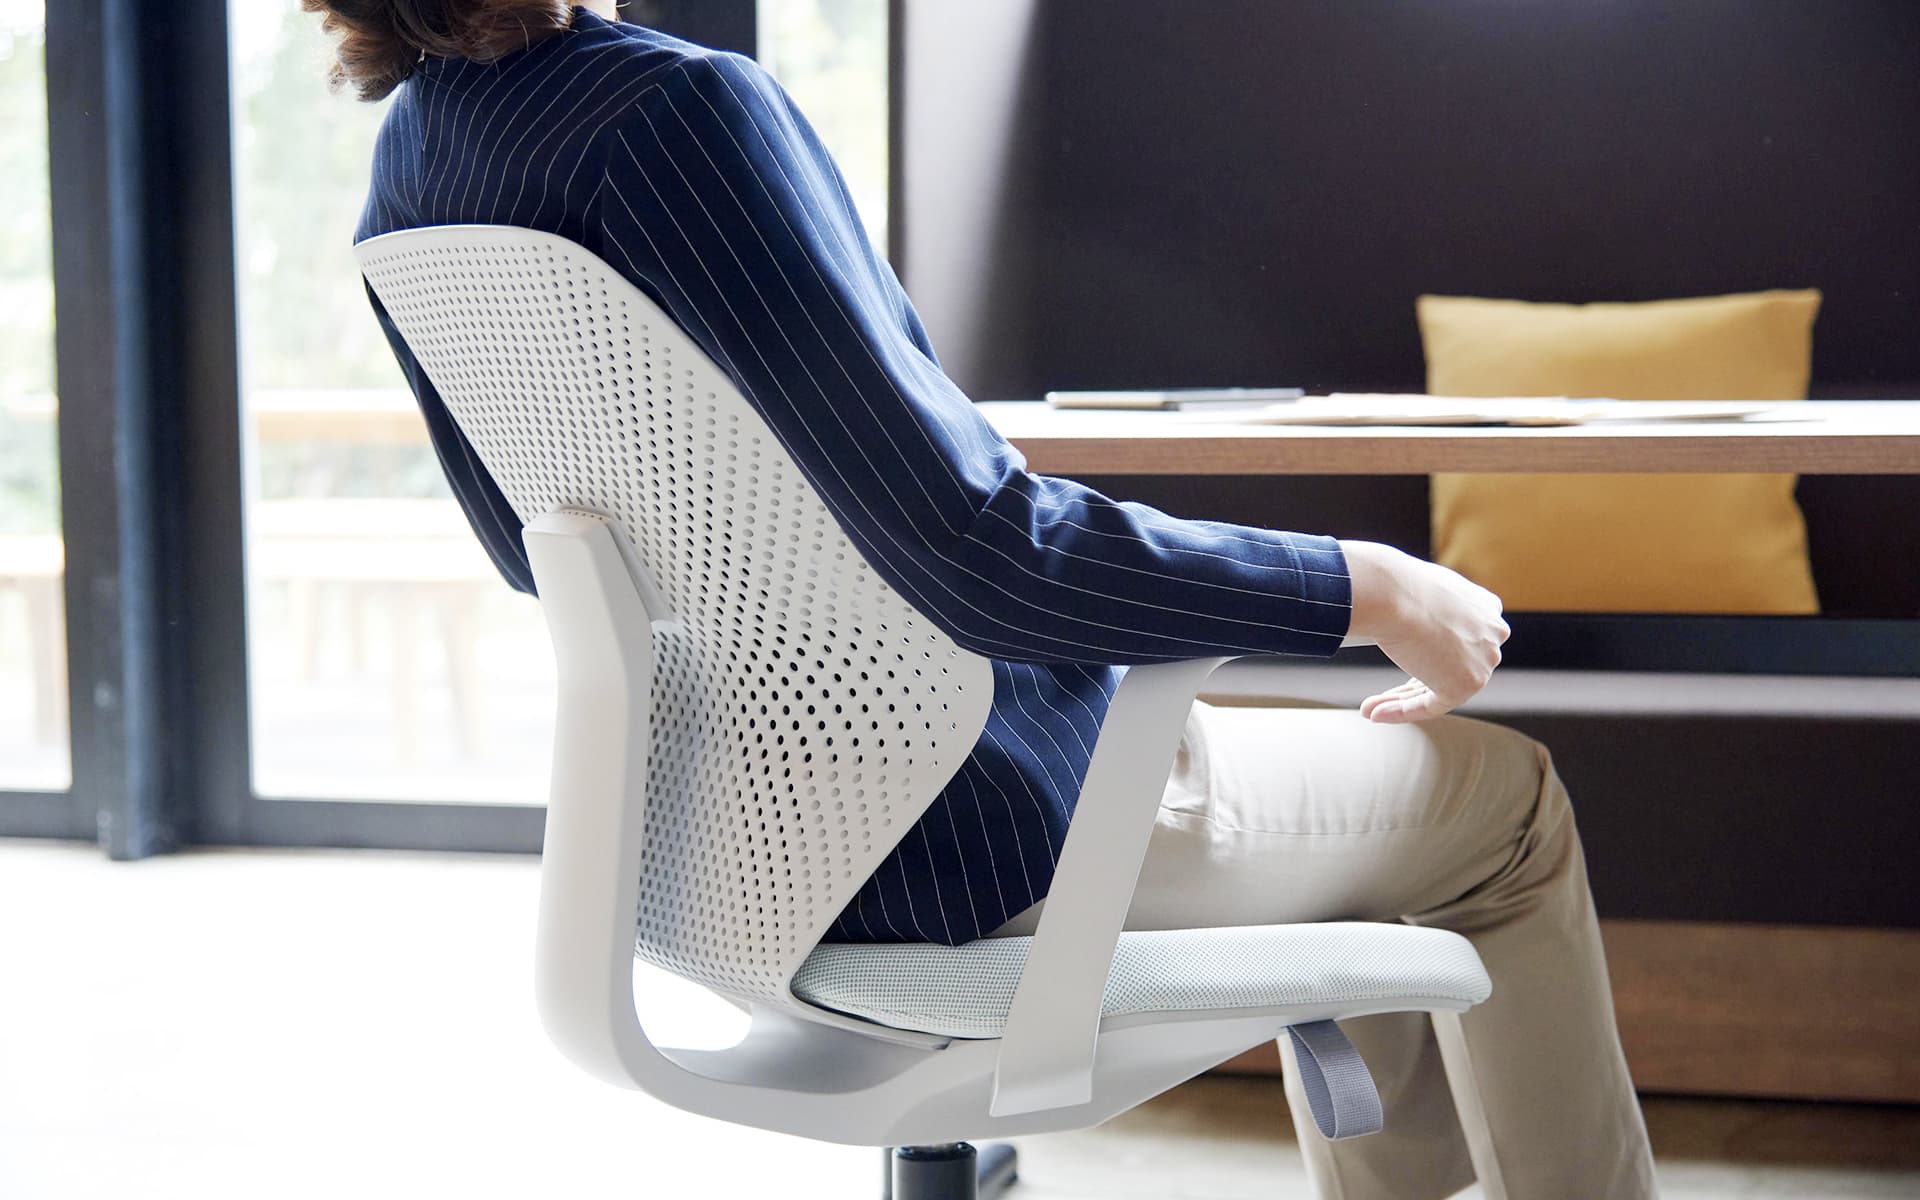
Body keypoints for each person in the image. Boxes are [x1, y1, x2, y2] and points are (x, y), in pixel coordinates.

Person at [309, 2, 1657, 1194]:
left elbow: (534, 552)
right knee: (1507, 811)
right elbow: (982, 551)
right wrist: (1362, 584)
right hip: (983, 840)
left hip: (723, 857)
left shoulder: (416, 168)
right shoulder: (681, 110)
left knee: (1381, 829)